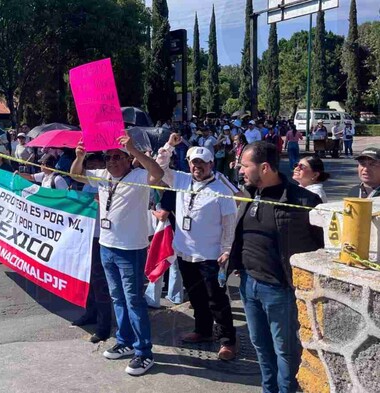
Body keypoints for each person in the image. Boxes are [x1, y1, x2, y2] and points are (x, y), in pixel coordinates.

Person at [232, 141, 324, 393]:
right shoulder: (251, 192)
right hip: (248, 285)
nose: (240, 170)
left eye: (244, 165)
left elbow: (321, 247)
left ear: (264, 167)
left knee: (285, 351)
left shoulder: (304, 200)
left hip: (280, 290)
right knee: (260, 345)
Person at [70, 132, 164, 376]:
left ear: (126, 159)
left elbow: (159, 173)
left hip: (130, 249)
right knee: (117, 298)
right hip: (107, 245)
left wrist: (134, 150)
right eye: (108, 157)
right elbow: (75, 175)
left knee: (134, 300)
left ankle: (144, 352)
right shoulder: (102, 175)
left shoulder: (139, 176)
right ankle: (125, 341)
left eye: (117, 157)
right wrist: (79, 157)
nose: (111, 162)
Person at [157, 134, 238, 360]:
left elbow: (229, 223)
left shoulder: (221, 189)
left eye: (202, 163)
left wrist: (226, 250)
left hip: (210, 255)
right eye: (194, 163)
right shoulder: (181, 180)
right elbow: (159, 167)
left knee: (217, 300)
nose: (197, 167)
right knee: (196, 296)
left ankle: (227, 340)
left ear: (211, 164)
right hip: (185, 252)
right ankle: (202, 331)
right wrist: (169, 146)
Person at [69, 153, 112, 343]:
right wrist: (79, 156)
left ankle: (104, 325)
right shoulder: (90, 181)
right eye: (90, 163)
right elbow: (74, 173)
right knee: (87, 279)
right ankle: (90, 313)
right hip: (85, 235)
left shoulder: (106, 180)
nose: (93, 166)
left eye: (97, 163)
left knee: (100, 282)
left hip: (101, 236)